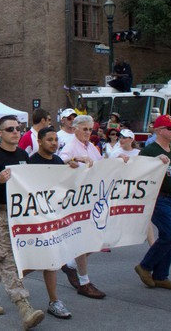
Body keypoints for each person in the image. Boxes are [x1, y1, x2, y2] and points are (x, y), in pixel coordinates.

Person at [0, 115, 44, 329]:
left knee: (0, 256)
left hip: (18, 214)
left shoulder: (23, 155)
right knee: (5, 257)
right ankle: (23, 305)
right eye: (10, 128)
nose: (16, 132)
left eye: (18, 128)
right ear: (0, 133)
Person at [26, 127, 77, 319]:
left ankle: (54, 301)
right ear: (39, 141)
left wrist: (71, 172)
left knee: (51, 259)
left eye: (56, 140)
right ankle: (12, 277)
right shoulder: (30, 163)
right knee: (44, 258)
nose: (54, 143)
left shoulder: (57, 161)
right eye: (49, 140)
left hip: (54, 219)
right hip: (36, 220)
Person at [134, 114, 171, 290]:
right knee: (168, 236)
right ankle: (145, 266)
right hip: (159, 199)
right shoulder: (150, 150)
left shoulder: (170, 148)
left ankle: (161, 276)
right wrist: (155, 162)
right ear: (159, 131)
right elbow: (137, 171)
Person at [58, 115, 105, 299]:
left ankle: (70, 264)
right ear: (76, 128)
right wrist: (73, 160)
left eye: (90, 129)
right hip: (76, 200)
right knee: (82, 239)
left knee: (97, 240)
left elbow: (102, 164)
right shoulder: (70, 147)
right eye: (84, 129)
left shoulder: (91, 146)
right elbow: (59, 164)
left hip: (92, 198)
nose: (88, 132)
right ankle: (84, 281)